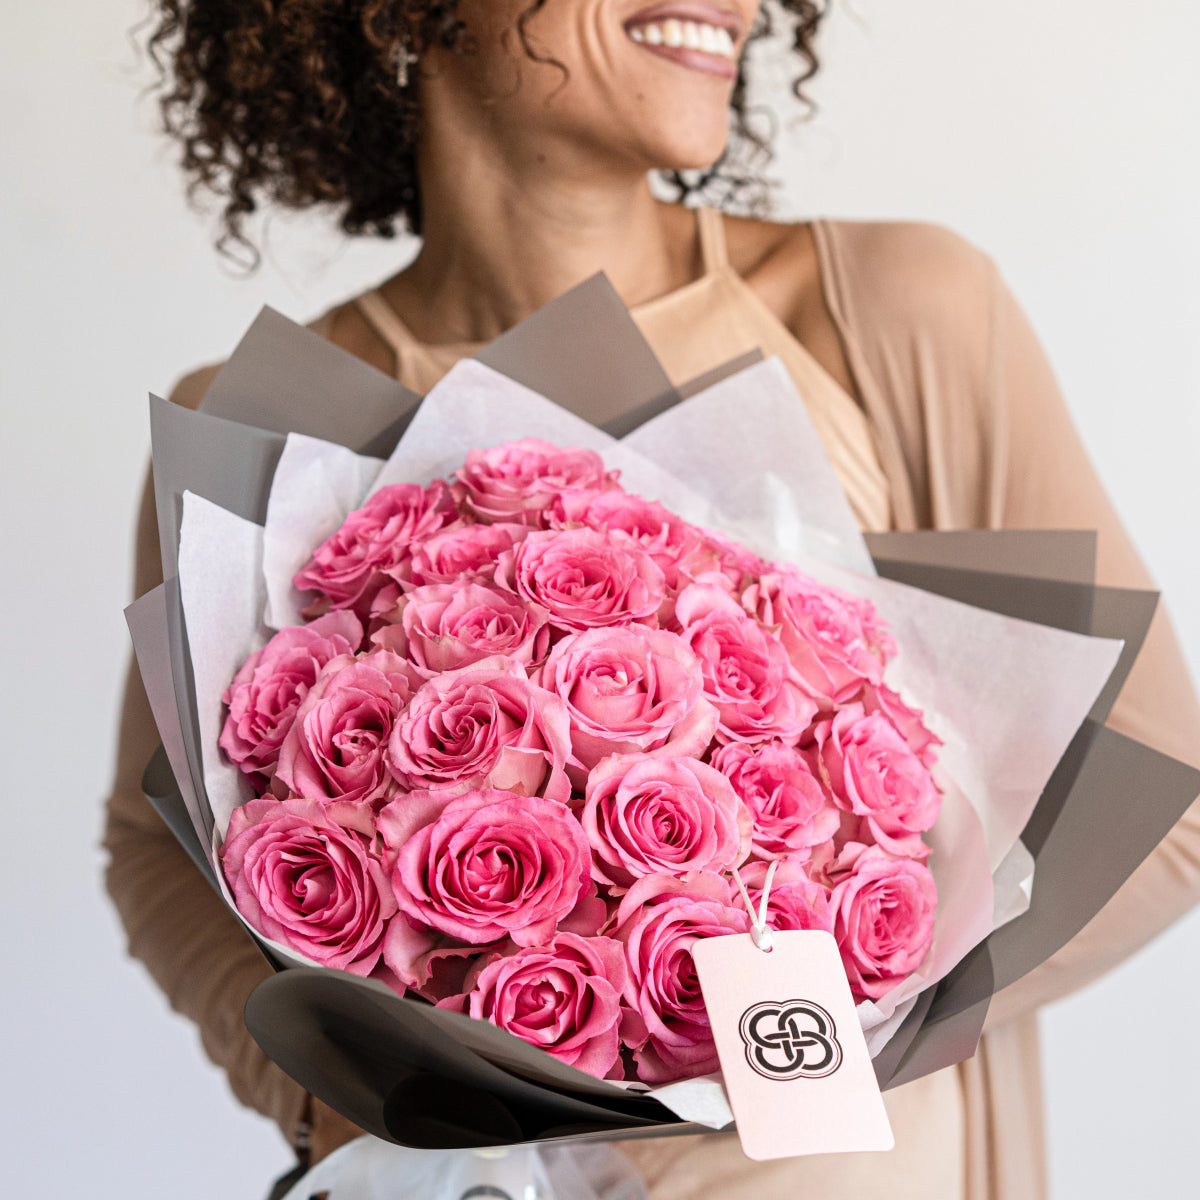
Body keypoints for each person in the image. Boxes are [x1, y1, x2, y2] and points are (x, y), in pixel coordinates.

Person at [106, 1, 1200, 1196]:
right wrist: (339, 1107)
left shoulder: (889, 309)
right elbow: (153, 851)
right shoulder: (249, 426)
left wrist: (800, 1044)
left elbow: (1168, 809)